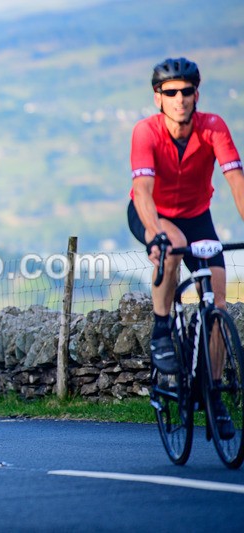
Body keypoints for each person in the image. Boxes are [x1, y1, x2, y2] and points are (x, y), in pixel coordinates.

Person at [128, 57, 244, 439]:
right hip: (153, 212)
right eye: (171, 92)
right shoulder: (146, 132)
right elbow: (143, 191)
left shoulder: (213, 128)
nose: (180, 99)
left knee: (218, 303)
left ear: (197, 94)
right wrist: (154, 232)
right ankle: (163, 326)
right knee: (173, 246)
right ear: (158, 97)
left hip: (197, 216)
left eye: (187, 91)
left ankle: (213, 396)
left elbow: (236, 180)